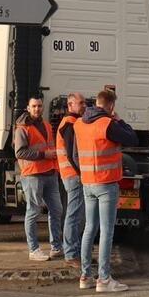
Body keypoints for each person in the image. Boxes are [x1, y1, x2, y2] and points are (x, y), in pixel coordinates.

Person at [73, 88, 138, 293]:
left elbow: (74, 154)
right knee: (107, 231)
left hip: (87, 182)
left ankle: (85, 276)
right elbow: (132, 139)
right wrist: (119, 120)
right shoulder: (108, 124)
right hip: (106, 183)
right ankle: (104, 279)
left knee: (89, 229)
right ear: (110, 106)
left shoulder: (79, 123)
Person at [14, 96, 63, 261]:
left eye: (39, 106)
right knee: (33, 212)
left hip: (50, 172)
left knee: (56, 210)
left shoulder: (47, 126)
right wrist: (44, 154)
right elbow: (20, 152)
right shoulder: (22, 128)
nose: (37, 109)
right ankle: (33, 250)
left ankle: (56, 247)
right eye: (34, 106)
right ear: (28, 108)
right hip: (33, 174)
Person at [56, 92, 86, 269]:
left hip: (72, 175)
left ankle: (75, 252)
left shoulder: (73, 122)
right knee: (74, 215)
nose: (84, 106)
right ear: (70, 105)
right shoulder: (69, 124)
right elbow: (71, 153)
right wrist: (80, 172)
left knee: (76, 214)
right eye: (80, 103)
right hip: (73, 176)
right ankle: (71, 254)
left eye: (84, 103)